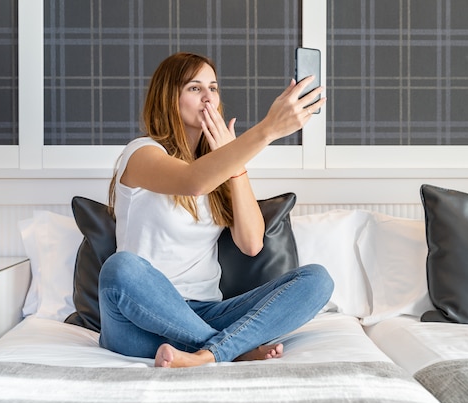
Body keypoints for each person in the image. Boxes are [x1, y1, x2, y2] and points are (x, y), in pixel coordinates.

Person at [98, 51, 333, 368]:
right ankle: (233, 349)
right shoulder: (141, 153)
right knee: (121, 268)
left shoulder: (221, 168)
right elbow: (193, 181)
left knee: (318, 280)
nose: (208, 97)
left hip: (205, 311)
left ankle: (206, 353)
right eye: (195, 88)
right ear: (169, 98)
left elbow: (251, 243)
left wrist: (235, 164)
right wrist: (268, 129)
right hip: (138, 322)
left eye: (214, 87)